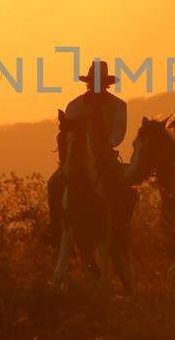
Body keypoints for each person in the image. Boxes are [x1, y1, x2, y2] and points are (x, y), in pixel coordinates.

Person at [47, 59, 135, 247]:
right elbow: (68, 132)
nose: (96, 86)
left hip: (104, 154)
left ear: (106, 84)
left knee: (125, 188)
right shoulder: (75, 105)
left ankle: (121, 225)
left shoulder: (119, 106)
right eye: (94, 82)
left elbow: (119, 133)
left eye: (100, 83)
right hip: (78, 156)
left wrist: (105, 144)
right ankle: (55, 228)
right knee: (54, 184)